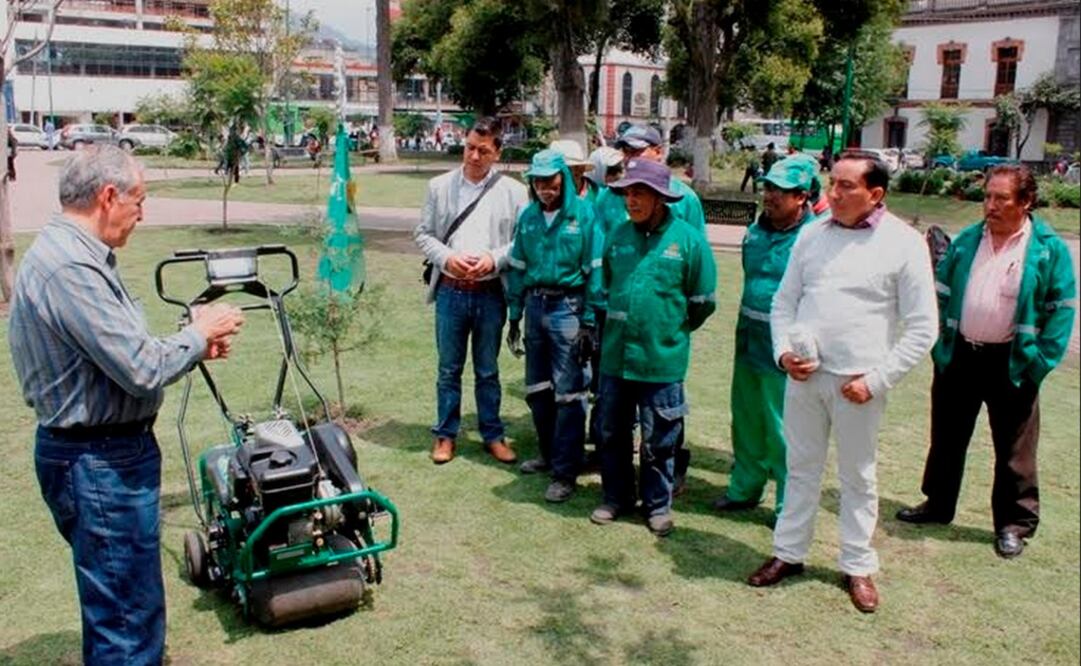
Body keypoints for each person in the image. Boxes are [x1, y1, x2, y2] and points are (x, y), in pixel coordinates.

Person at [7, 145, 245, 664]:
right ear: (108, 196)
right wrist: (199, 335)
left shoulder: (74, 256)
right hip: (98, 462)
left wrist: (193, 342)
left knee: (125, 603)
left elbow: (116, 356)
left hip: (103, 456)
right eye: (140, 201)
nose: (143, 215)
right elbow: (140, 368)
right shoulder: (70, 267)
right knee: (124, 619)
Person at [746, 151, 938, 613]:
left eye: (846, 186)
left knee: (858, 476)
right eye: (832, 183)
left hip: (859, 384)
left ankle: (857, 565)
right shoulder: (812, 235)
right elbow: (784, 304)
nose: (833, 193)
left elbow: (923, 327)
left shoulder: (903, 243)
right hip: (806, 379)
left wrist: (876, 380)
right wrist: (783, 353)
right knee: (801, 468)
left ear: (875, 194)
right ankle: (789, 553)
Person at [895, 165, 1077, 559]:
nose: (990, 206)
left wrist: (1038, 364)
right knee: (946, 437)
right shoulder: (967, 241)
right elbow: (940, 293)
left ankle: (1014, 524)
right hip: (960, 355)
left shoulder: (1048, 248)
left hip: (1013, 363)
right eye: (987, 197)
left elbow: (1061, 312)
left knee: (1015, 449)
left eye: (1001, 199)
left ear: (1026, 202)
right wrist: (941, 346)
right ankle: (938, 504)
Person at [590, 159, 717, 537]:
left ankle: (658, 505)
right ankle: (616, 497)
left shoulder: (688, 241)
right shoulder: (617, 235)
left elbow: (702, 301)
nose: (631, 200)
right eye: (628, 192)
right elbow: (608, 284)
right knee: (610, 431)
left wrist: (668, 331)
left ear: (661, 198)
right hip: (615, 356)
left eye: (639, 192)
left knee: (659, 437)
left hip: (662, 360)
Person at [712, 154, 831, 517]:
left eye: (782, 190)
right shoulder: (755, 232)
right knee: (746, 419)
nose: (771, 195)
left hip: (786, 349)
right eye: (768, 187)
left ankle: (787, 505)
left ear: (803, 197)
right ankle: (745, 487)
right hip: (748, 341)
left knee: (784, 429)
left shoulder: (815, 238)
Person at [415, 117, 529, 465]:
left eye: (483, 150)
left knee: (487, 370)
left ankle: (492, 434)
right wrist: (448, 258)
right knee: (448, 369)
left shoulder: (514, 191)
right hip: (451, 291)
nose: (474, 156)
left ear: (497, 152)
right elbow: (423, 234)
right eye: (469, 148)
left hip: (490, 292)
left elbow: (521, 242)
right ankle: (445, 435)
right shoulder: (439, 186)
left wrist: (493, 260)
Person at [504, 150, 599, 502]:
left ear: (564, 178)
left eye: (551, 181)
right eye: (538, 181)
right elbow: (516, 266)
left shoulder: (584, 216)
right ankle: (548, 454)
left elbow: (596, 269)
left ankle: (566, 472)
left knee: (569, 394)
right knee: (537, 390)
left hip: (568, 309)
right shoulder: (528, 217)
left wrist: (588, 321)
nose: (545, 188)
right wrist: (514, 315)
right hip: (534, 306)